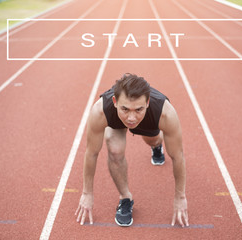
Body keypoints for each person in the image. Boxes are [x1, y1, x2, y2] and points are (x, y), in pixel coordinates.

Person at [75, 73, 189, 227]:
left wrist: (180, 197)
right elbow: (91, 152)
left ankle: (156, 146)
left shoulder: (165, 113)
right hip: (115, 121)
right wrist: (87, 193)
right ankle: (125, 198)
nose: (131, 118)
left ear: (147, 103)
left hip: (149, 121)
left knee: (153, 140)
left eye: (138, 109)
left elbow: (178, 156)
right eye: (125, 109)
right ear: (115, 102)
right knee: (114, 150)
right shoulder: (100, 111)